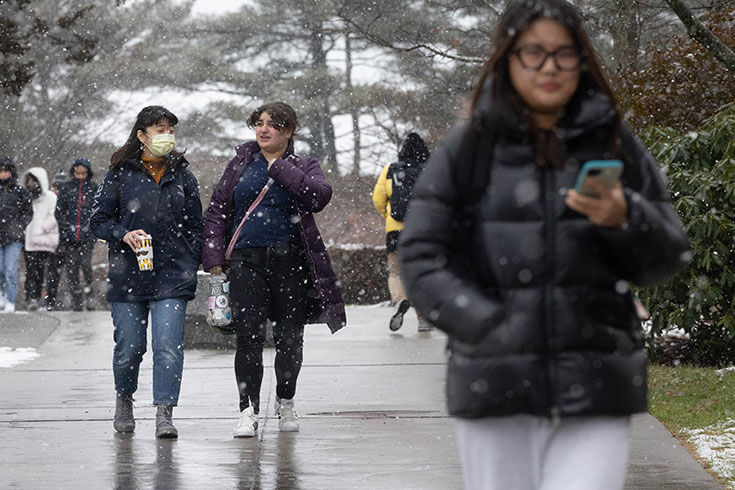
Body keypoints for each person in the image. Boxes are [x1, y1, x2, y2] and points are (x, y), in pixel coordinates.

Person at [398, 1, 691, 489]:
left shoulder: (613, 141)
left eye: (564, 53)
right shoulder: (469, 147)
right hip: (495, 380)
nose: (550, 67)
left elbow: (669, 254)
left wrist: (627, 218)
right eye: (533, 52)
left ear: (582, 60)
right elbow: (422, 257)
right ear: (507, 59)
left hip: (597, 378)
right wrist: (488, 326)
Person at [202, 101, 346, 438]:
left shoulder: (304, 164)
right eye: (259, 123)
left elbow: (319, 197)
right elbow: (218, 210)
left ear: (289, 131)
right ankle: (247, 410)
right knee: (248, 339)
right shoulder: (240, 164)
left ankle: (285, 401)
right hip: (245, 262)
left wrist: (279, 167)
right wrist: (212, 257)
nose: (263, 129)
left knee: (290, 340)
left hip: (290, 263)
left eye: (273, 124)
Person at [90, 105, 202, 439]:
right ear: (141, 135)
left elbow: (197, 224)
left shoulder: (182, 174)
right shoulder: (120, 173)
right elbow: (98, 220)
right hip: (129, 275)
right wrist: (122, 233)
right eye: (159, 129)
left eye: (170, 129)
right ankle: (124, 398)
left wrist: (189, 258)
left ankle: (164, 412)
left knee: (168, 346)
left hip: (172, 276)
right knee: (129, 347)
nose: (166, 135)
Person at [372, 132, 431, 332]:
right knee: (422, 272)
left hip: (396, 229)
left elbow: (378, 199)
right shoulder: (431, 169)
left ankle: (399, 301)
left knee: (396, 272)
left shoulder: (390, 170)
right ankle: (423, 318)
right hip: (424, 229)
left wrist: (388, 216)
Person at [56, 157, 98, 311]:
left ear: (88, 173)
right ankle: (76, 300)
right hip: (69, 237)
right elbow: (59, 212)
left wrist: (92, 231)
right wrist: (66, 230)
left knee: (86, 266)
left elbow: (98, 212)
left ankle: (90, 294)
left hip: (87, 237)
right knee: (71, 269)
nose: (80, 176)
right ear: (73, 172)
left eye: (83, 173)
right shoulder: (66, 188)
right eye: (78, 173)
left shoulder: (94, 188)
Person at [21, 167, 60, 312]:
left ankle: (49, 301)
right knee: (32, 271)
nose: (30, 183)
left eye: (33, 180)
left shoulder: (50, 197)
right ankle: (32, 297)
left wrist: (41, 228)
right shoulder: (25, 197)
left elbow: (53, 216)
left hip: (46, 240)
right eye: (29, 180)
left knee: (47, 272)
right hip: (30, 241)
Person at [0, 157, 33, 313]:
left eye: (6, 170)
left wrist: (19, 227)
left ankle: (10, 300)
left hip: (14, 237)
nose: (3, 173)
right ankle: (2, 293)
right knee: (0, 269)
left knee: (11, 269)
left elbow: (28, 212)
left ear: (11, 171)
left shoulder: (20, 192)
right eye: (0, 170)